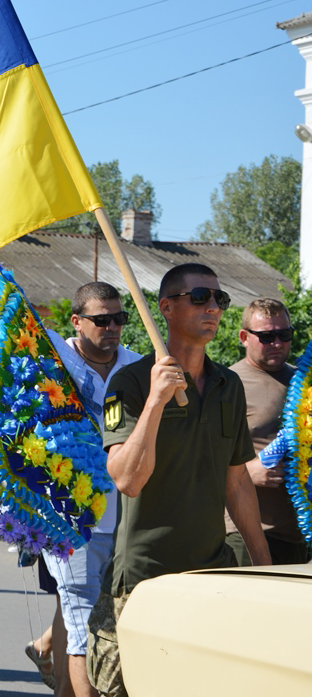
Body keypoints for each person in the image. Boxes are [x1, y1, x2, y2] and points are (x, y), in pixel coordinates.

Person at [87, 263, 271, 697]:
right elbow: (127, 479)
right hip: (143, 579)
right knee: (121, 688)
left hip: (210, 573)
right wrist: (155, 402)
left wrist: (265, 566)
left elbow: (238, 482)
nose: (214, 307)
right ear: (166, 308)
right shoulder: (128, 383)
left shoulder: (228, 384)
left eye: (220, 300)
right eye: (201, 297)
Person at [35, 282, 141, 697]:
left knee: (101, 615)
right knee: (82, 619)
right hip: (69, 514)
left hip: (129, 513)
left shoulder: (139, 366)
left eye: (119, 319)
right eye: (101, 320)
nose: (112, 327)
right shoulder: (51, 362)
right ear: (76, 322)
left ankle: (64, 686)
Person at [224, 298, 309, 565]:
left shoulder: (303, 382)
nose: (276, 343)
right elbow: (199, 456)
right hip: (247, 534)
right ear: (244, 337)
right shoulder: (226, 384)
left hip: (299, 535)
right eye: (266, 336)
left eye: (284, 335)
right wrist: (247, 471)